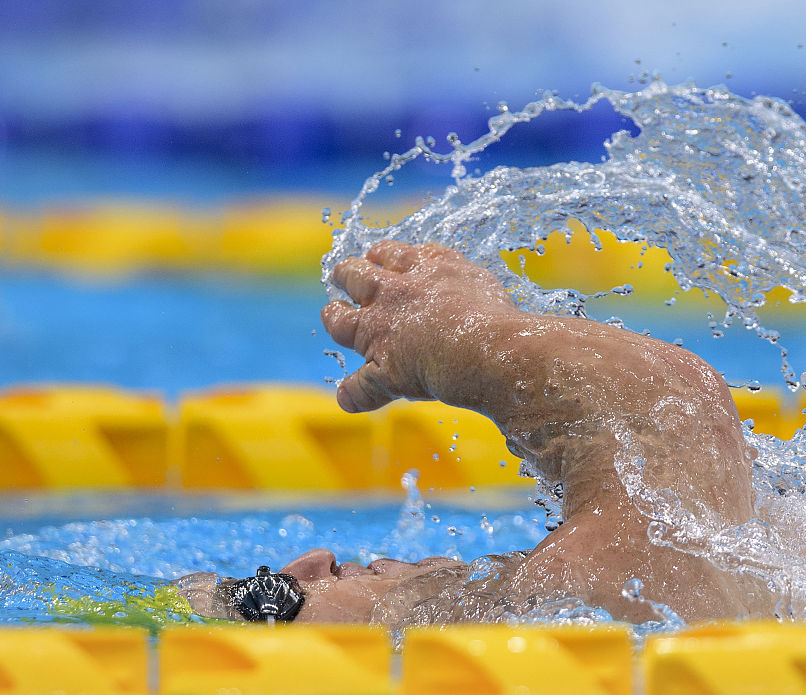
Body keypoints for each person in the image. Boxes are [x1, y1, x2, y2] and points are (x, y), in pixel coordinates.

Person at [176, 241, 773, 625]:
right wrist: (469, 339)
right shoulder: (557, 606)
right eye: (273, 602)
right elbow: (674, 411)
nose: (312, 559)